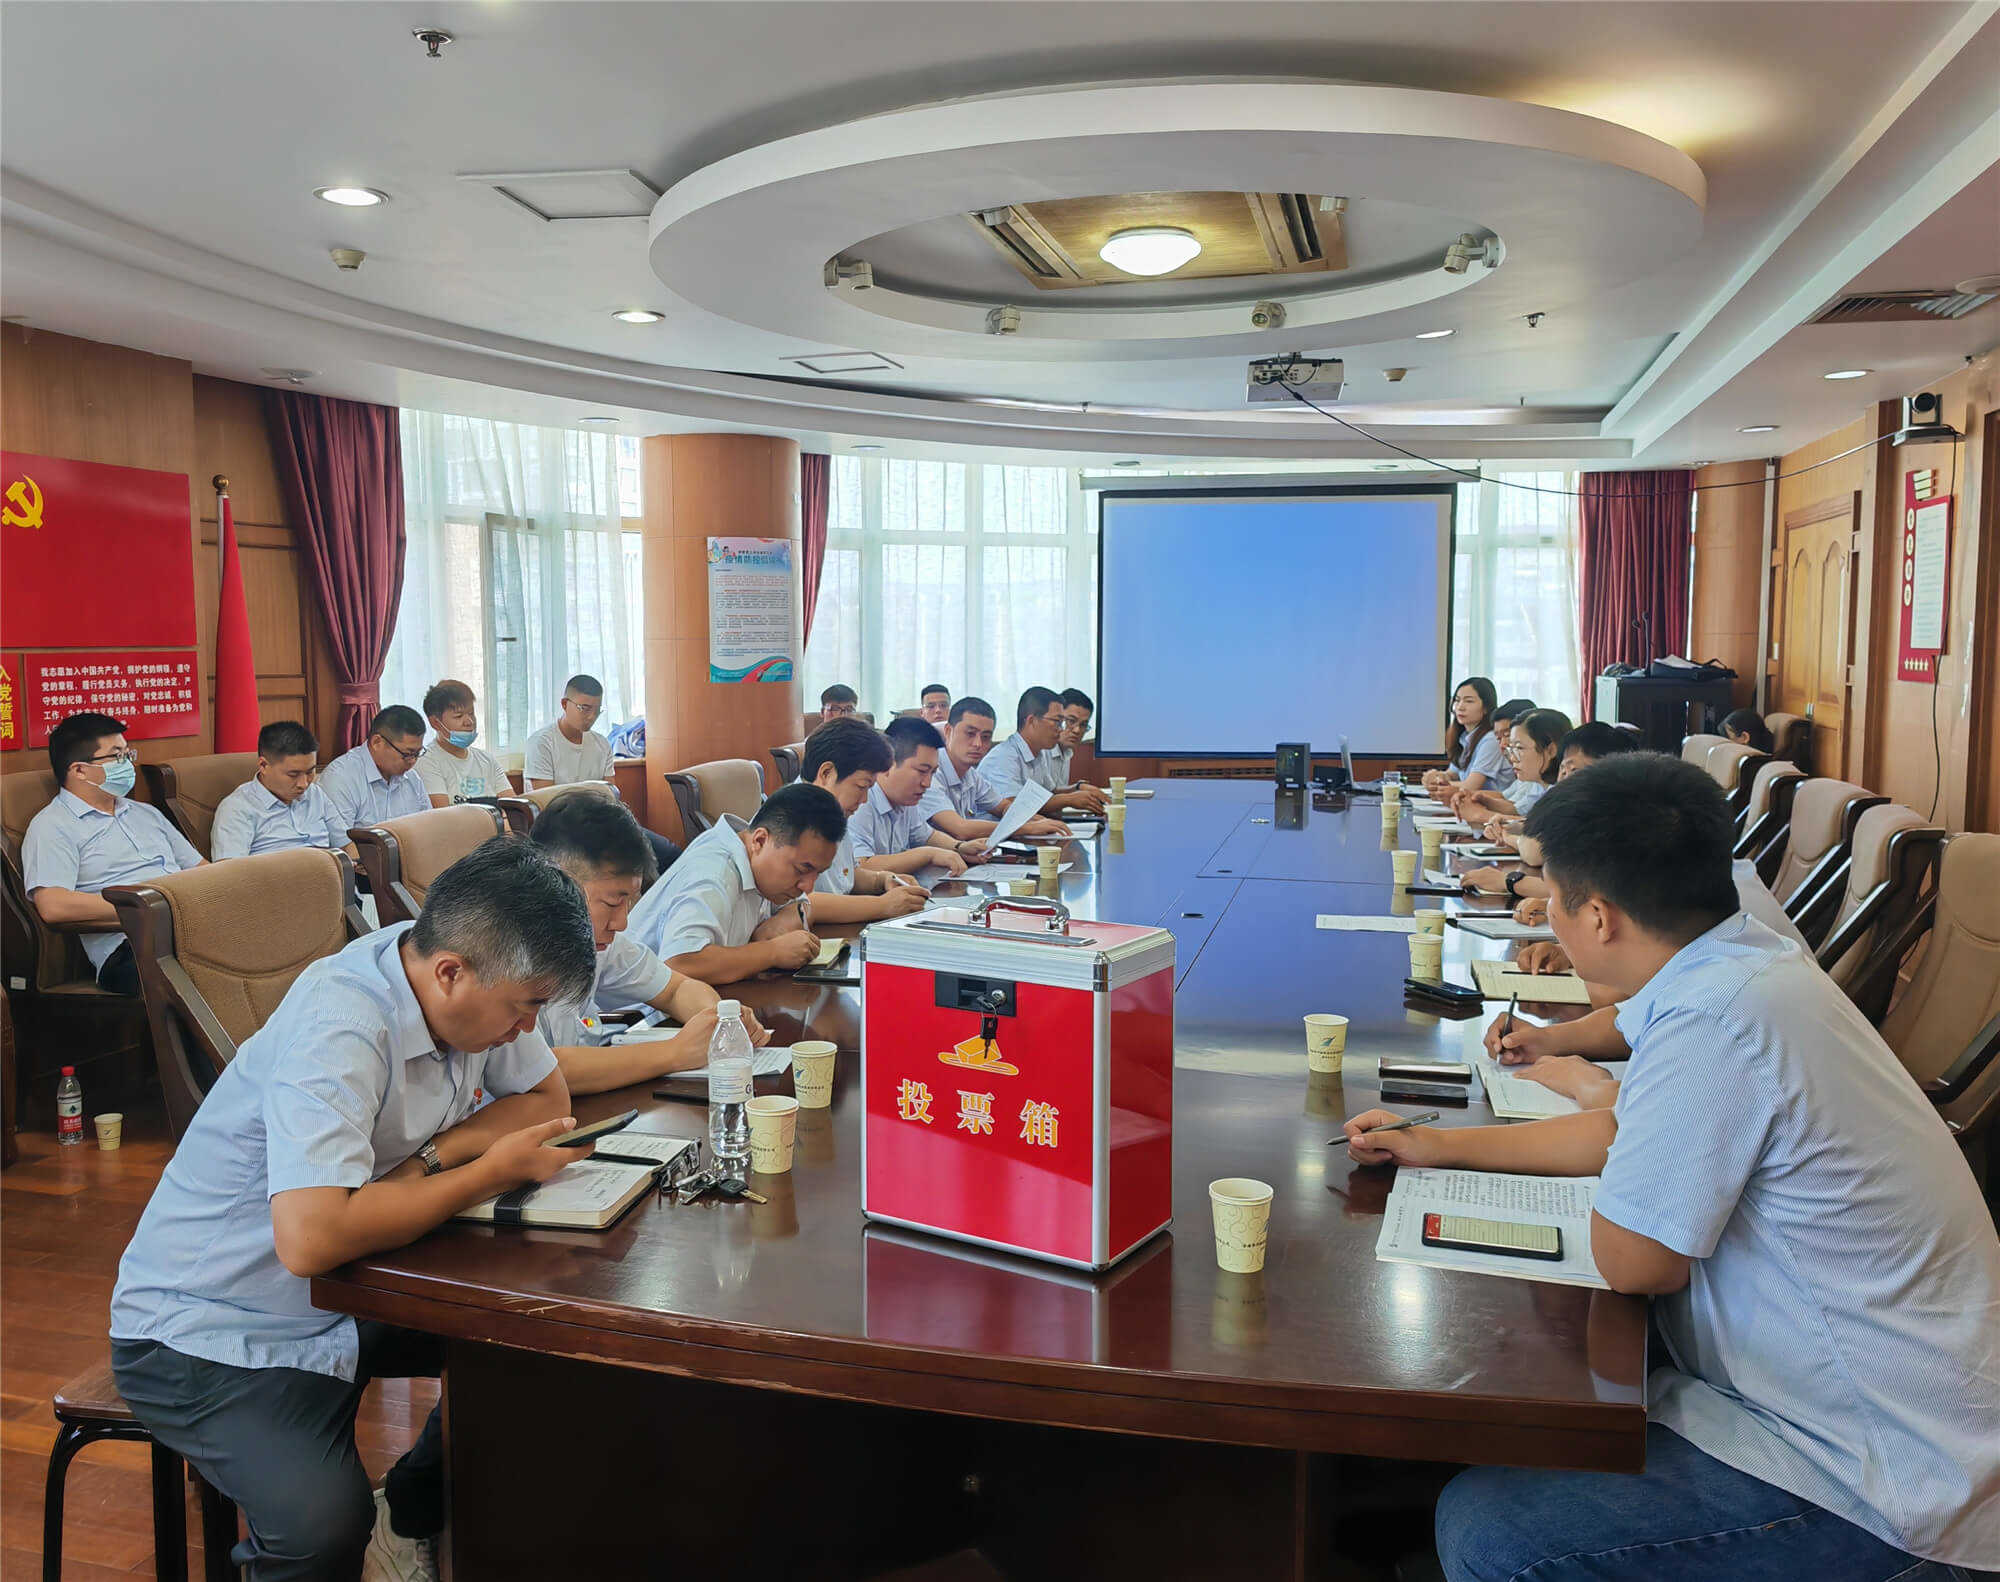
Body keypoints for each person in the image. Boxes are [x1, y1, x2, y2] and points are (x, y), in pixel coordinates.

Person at [1344, 754, 2000, 1580]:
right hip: (1863, 1412)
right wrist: (1435, 1146)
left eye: (1554, 900)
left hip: (1892, 1482)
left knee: (1493, 1533)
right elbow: (1626, 1135)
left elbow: (1635, 1261)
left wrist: (1590, 1125)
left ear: (1598, 916)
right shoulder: (1741, 960)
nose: (1548, 917)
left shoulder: (1713, 1019)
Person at [110, 837, 599, 1582]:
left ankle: (411, 1513)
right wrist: (482, 1173)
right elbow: (310, 1241)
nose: (527, 1029)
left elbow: (545, 1099)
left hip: (347, 1289)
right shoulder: (343, 1024)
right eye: (526, 1006)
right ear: (451, 972)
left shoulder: (457, 980)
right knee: (322, 1530)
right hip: (213, 1327)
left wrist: (431, 1160)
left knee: (539, 1338)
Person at [527, 795, 770, 1091]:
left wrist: (719, 1021)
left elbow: (676, 988)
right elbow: (542, 1071)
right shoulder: (507, 951)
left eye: (629, 902)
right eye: (612, 903)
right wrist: (674, 1053)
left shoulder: (595, 942)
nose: (622, 923)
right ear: (555, 883)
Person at [22, 711, 203, 994]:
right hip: (131, 946)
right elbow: (53, 905)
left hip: (191, 926)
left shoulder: (145, 813)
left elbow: (201, 869)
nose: (128, 764)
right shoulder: (52, 826)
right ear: (79, 770)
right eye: (117, 756)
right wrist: (152, 909)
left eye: (128, 754)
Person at [625, 782, 839, 985]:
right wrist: (772, 952)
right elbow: (679, 963)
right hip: (636, 1008)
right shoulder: (713, 874)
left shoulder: (760, 863)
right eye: (802, 870)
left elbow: (799, 905)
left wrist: (780, 923)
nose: (808, 886)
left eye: (818, 873)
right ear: (760, 840)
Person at [1459, 720, 1641, 898]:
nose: (1564, 780)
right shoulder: (1583, 810)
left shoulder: (1619, 819)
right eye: (1563, 770)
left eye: (1575, 771)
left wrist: (1508, 881)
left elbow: (1539, 853)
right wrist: (1516, 827)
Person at [793, 717, 930, 922]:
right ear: (827, 773)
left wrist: (881, 880)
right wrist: (883, 906)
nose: (864, 799)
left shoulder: (830, 812)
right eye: (861, 786)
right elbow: (801, 903)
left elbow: (843, 875)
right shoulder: (792, 817)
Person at [848, 717, 989, 877]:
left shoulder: (905, 799)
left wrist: (959, 847)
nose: (927, 783)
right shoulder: (861, 801)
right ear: (889, 764)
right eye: (922, 771)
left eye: (933, 773)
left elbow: (927, 836)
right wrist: (928, 854)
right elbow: (861, 866)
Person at [923, 696, 1068, 846]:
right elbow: (960, 829)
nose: (978, 744)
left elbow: (1004, 807)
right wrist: (1028, 828)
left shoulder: (971, 775)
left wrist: (1042, 822)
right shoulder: (929, 772)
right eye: (970, 734)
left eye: (986, 737)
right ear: (948, 731)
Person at [210, 721, 348, 860]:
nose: (304, 784)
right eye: (293, 774)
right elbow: (230, 870)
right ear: (263, 765)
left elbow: (346, 845)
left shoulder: (314, 793)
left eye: (310, 772)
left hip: (330, 871)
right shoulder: (237, 809)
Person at [980, 687, 1107, 816]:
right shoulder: (1003, 757)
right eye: (1057, 722)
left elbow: (1050, 792)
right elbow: (1013, 807)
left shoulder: (1038, 753)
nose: (1060, 729)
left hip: (1030, 826)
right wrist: (1069, 799)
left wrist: (1077, 789)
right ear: (1032, 721)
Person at [317, 705, 431, 836]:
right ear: (377, 742)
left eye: (417, 753)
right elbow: (342, 843)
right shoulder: (341, 778)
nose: (412, 761)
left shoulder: (412, 778)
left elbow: (428, 829)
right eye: (407, 754)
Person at [1458, 707, 1571, 832]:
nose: (1512, 758)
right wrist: (1482, 800)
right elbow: (1518, 812)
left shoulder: (1565, 791)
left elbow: (1541, 830)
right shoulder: (1539, 786)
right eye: (1511, 748)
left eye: (1519, 748)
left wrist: (1480, 815)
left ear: (1551, 750)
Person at [414, 680, 512, 806]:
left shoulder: (487, 759)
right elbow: (442, 814)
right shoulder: (426, 761)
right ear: (435, 723)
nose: (469, 722)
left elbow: (512, 806)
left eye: (471, 713)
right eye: (458, 716)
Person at [523, 674, 614, 791]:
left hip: (594, 803)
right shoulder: (541, 743)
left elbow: (610, 794)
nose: (592, 716)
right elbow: (544, 798)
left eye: (596, 710)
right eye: (585, 708)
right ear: (564, 704)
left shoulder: (602, 744)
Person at [1422, 677, 1504, 799]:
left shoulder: (1491, 739)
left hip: (1494, 806)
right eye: (1457, 700)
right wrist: (1437, 776)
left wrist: (1437, 785)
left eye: (1469, 701)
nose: (1460, 707)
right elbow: (1452, 774)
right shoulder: (1465, 737)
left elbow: (1472, 786)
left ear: (1486, 707)